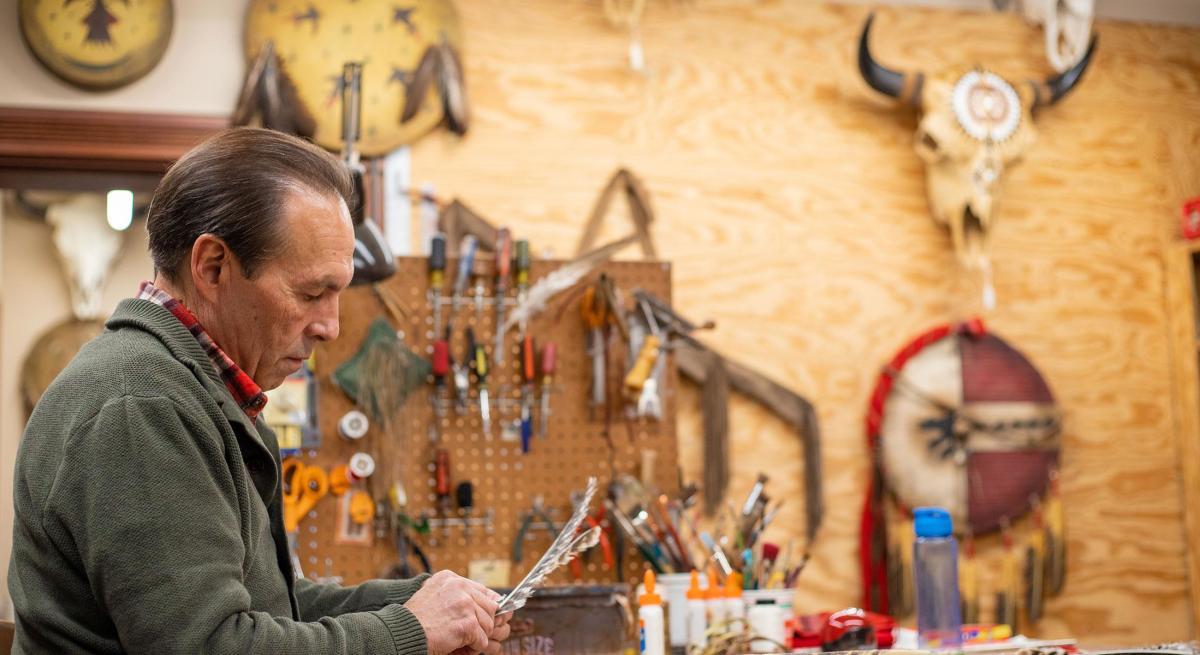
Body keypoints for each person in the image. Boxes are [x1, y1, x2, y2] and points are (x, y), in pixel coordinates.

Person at [9, 127, 510, 654]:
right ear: (212, 267)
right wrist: (410, 630)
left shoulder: (197, 389)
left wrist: (420, 601)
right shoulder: (142, 405)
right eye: (313, 292)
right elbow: (212, 645)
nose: (330, 327)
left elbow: (269, 607)